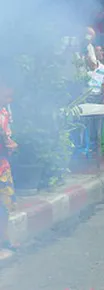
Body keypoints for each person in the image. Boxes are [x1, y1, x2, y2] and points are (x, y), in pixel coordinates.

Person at [0, 84, 17, 261]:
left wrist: (10, 144)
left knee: (4, 205)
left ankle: (4, 239)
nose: (9, 101)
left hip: (3, 166)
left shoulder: (5, 113)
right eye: (6, 97)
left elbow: (7, 137)